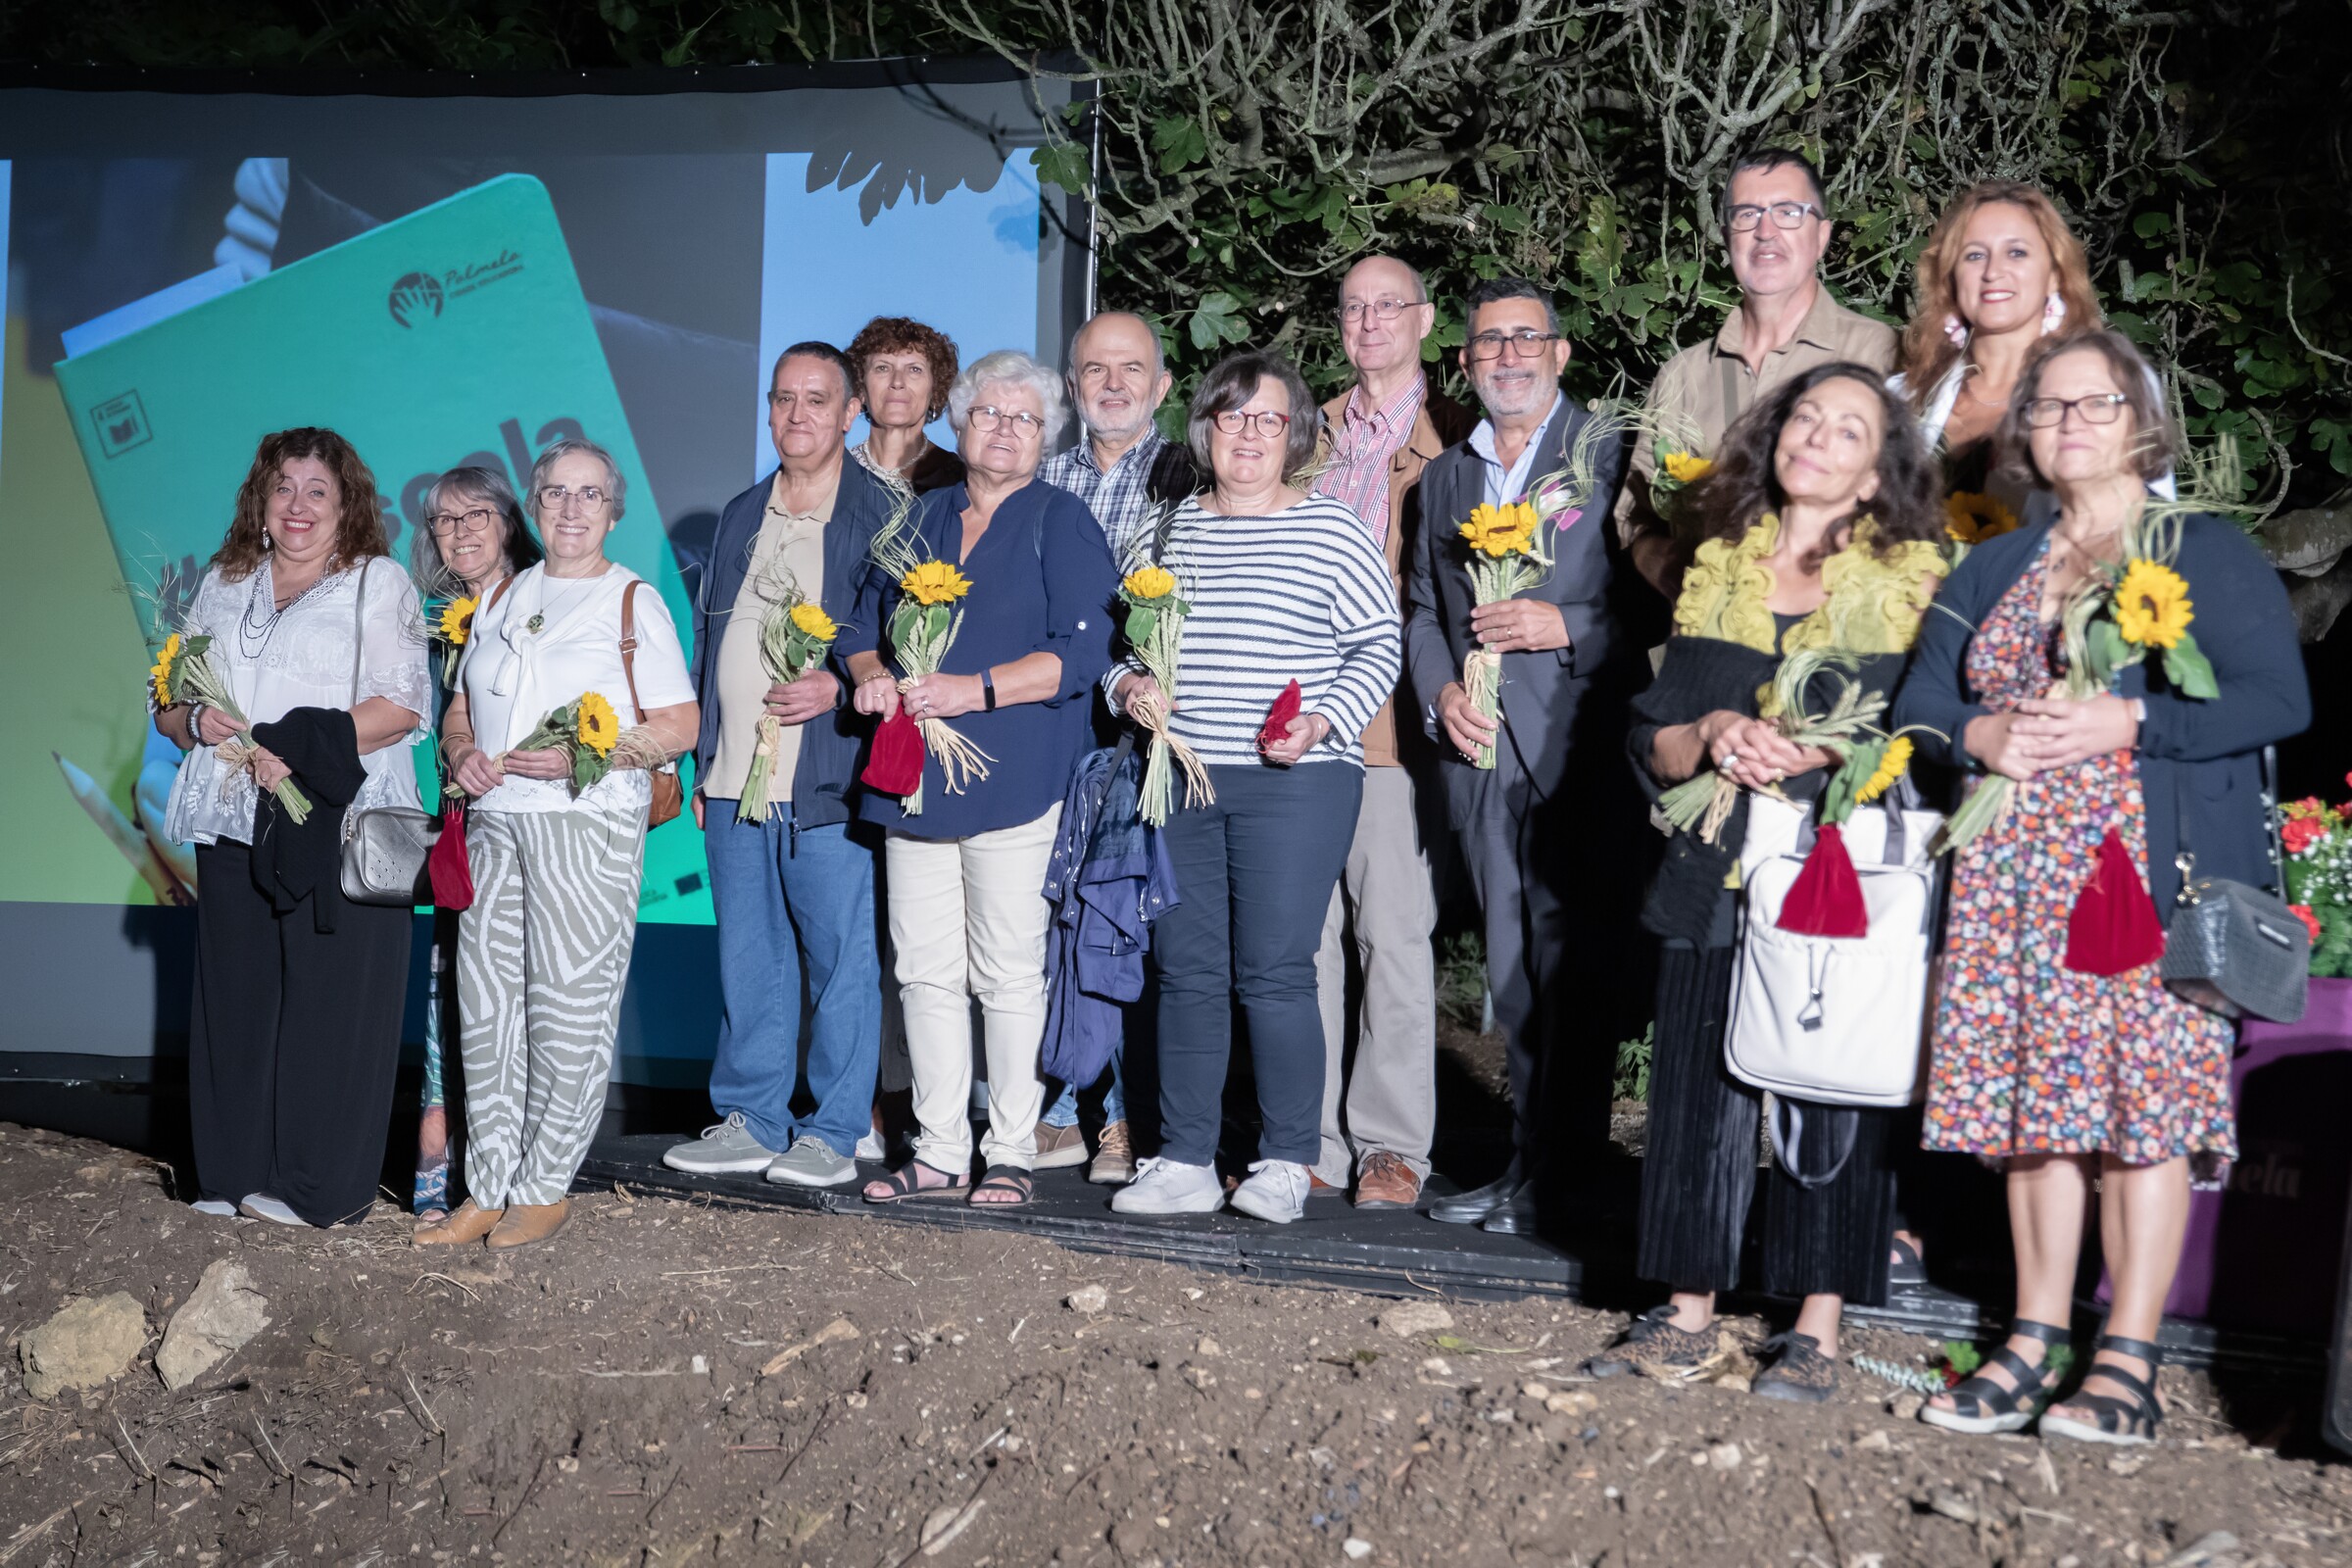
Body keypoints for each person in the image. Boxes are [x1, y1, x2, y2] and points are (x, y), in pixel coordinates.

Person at [1895, 331, 2310, 1443]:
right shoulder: (1990, 566)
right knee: (2036, 1110)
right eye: (2051, 408)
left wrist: (2133, 717)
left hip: (2144, 874)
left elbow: (2280, 696)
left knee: (2144, 1113)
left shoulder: (2201, 552)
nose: (2072, 423)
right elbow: (1918, 702)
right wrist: (1979, 732)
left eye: (2097, 404)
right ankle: (2033, 1339)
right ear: (2026, 433)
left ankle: (2129, 1359)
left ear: (2141, 421)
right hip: (2009, 877)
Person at [1585, 366, 1946, 1398]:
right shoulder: (1719, 564)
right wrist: (1708, 732)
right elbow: (1650, 740)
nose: (1817, 437)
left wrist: (1828, 751)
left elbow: (1927, 742)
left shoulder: (1916, 581)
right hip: (1717, 863)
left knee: (1831, 1086)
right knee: (1698, 1084)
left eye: (1848, 429)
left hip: (1836, 872)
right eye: (1803, 419)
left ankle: (1817, 1328)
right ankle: (1687, 1314)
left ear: (1880, 473)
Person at [1107, 349, 1402, 1225]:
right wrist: (1128, 689)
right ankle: (1186, 1159)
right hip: (1186, 775)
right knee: (1187, 971)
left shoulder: (1331, 530)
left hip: (1298, 782)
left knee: (1275, 972)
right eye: (1233, 417)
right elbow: (1124, 652)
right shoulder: (1164, 533)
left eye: (1268, 419)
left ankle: (1283, 1161)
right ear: (1206, 428)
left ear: (1295, 433)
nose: (1249, 434)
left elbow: (1376, 644)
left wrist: (1322, 722)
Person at [845, 349, 1118, 1210]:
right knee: (922, 973)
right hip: (913, 777)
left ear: (1046, 435)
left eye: (1025, 418)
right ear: (958, 424)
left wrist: (975, 690)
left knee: (1005, 974)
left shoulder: (1060, 518)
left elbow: (1085, 654)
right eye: (989, 414)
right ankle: (935, 1149)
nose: (1004, 430)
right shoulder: (920, 518)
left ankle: (1009, 1150)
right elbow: (858, 621)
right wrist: (868, 673)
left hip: (1017, 777)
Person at [423, 438, 700, 1251]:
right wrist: (462, 751)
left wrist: (593, 752)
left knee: (569, 1009)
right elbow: (465, 710)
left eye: (589, 495)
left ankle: (543, 1188)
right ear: (534, 507)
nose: (571, 510)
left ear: (613, 510)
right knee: (489, 1010)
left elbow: (679, 726)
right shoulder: (505, 598)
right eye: (555, 494)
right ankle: (487, 1187)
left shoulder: (630, 601)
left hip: (587, 825)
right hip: (498, 821)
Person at [1404, 276, 1639, 1236]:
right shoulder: (1446, 478)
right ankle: (1526, 1162)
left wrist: (1567, 622)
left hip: (1579, 748)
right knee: (1512, 973)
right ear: (1464, 361)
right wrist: (1441, 694)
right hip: (1481, 753)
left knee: (1576, 972)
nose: (1506, 355)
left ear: (1561, 352)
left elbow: (1670, 599)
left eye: (1524, 338)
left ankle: (1568, 1175)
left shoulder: (1613, 454)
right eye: (1487, 342)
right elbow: (1424, 609)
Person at [158, 426, 430, 1228]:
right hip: (234, 820)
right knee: (234, 1005)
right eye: (285, 488)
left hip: (334, 826)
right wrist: (193, 718)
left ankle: (320, 1192)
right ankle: (229, 1174)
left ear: (348, 506)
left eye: (319, 490)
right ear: (261, 501)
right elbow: (171, 703)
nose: (299, 505)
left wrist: (290, 745)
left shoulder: (378, 583)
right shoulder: (224, 580)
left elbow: (401, 705)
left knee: (329, 1010)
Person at [661, 343, 898, 1190]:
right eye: (784, 400)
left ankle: (833, 1130)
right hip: (731, 780)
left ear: (848, 415)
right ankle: (752, 1118)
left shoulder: (882, 515)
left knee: (840, 959)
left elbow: (904, 642)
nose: (797, 416)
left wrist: (836, 687)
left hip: (829, 776)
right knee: (748, 957)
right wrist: (703, 760)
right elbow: (708, 638)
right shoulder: (741, 512)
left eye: (817, 400)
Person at [1309, 256, 1475, 1210]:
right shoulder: (1304, 431)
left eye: (1389, 306)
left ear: (1423, 319)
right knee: (1303, 945)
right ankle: (1311, 1136)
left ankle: (1389, 1144)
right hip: (1296, 724)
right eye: (1354, 307)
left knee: (1395, 941)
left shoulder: (1455, 435)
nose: (1370, 321)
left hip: (1392, 735)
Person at [1033, 309, 1196, 1183]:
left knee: (1122, 924)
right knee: (1050, 922)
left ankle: (1124, 1120)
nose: (1114, 384)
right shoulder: (1041, 480)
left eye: (1133, 369)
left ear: (1162, 387)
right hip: (1049, 730)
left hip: (1140, 735)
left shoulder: (1187, 477)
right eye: (1096, 369)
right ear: (1072, 384)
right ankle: (1060, 1100)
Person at [1618, 148, 1898, 598]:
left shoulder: (1881, 355)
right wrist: (1677, 572)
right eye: (1747, 214)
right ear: (1728, 235)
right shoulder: (1682, 376)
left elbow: (1911, 508)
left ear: (1822, 236)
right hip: (1704, 647)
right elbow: (1636, 519)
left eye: (1788, 212)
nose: (1766, 232)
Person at [408, 466, 541, 1229]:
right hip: (457, 824)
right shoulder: (427, 615)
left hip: (533, 821)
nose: (457, 534)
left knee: (525, 991)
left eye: (475, 516)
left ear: (509, 522)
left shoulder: (542, 598)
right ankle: (437, 1148)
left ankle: (520, 1162)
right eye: (442, 523)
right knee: (448, 986)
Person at [1893, 180, 2103, 511]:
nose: (1992, 271)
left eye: (2016, 252)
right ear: (1951, 276)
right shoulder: (1898, 398)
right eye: (1974, 255)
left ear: (2054, 274)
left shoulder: (2103, 396)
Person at [848, 315, 966, 495]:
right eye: (882, 368)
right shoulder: (833, 475)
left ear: (935, 389)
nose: (897, 382)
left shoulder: (960, 480)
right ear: (860, 387)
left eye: (914, 370)